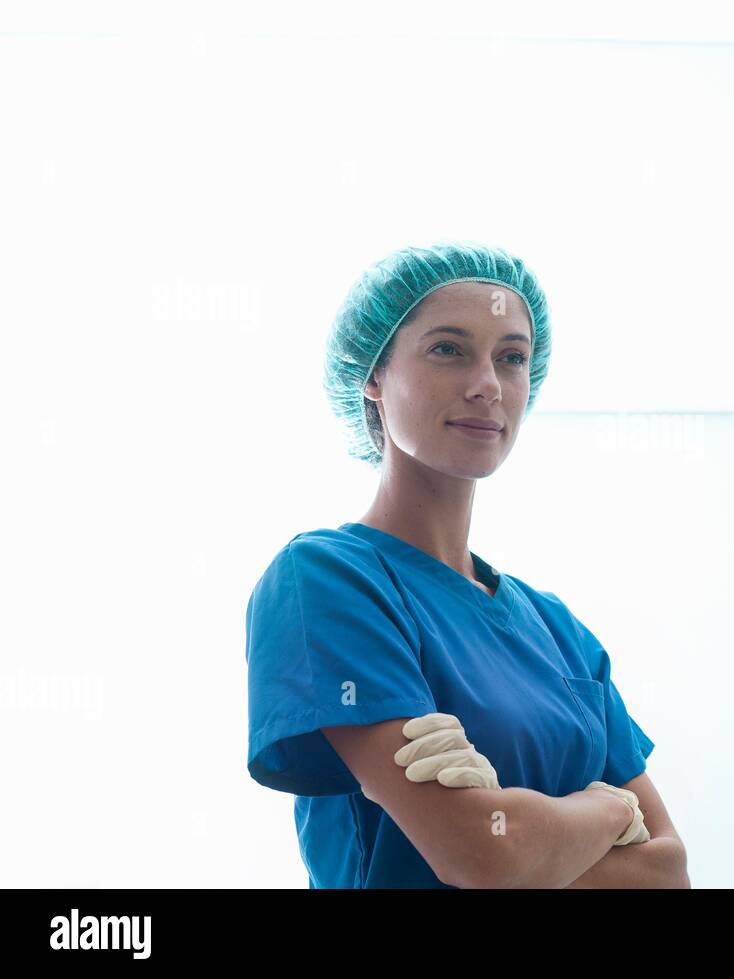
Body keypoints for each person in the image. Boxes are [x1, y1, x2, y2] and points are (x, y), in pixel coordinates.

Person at [244, 241, 688, 888]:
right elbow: (480, 855)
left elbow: (669, 870)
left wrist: (513, 830)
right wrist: (609, 807)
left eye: (511, 358)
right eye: (448, 349)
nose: (487, 385)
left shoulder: (559, 632)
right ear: (373, 374)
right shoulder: (328, 581)